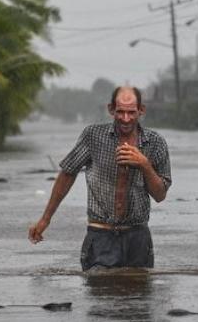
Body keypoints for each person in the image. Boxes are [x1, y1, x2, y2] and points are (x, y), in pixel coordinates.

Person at [28, 86, 172, 271]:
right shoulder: (93, 136)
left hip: (138, 237)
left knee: (138, 296)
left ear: (141, 110)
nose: (126, 119)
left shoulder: (155, 142)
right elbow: (67, 173)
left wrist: (144, 164)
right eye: (120, 112)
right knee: (100, 294)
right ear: (111, 109)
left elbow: (160, 195)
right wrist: (45, 219)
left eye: (131, 112)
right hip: (101, 235)